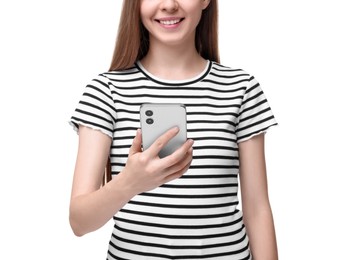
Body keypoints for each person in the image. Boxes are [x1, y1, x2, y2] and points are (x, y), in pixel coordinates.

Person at [69, 0, 279, 259]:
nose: (168, 5)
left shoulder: (240, 88)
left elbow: (258, 210)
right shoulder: (106, 92)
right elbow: (79, 222)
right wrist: (128, 183)